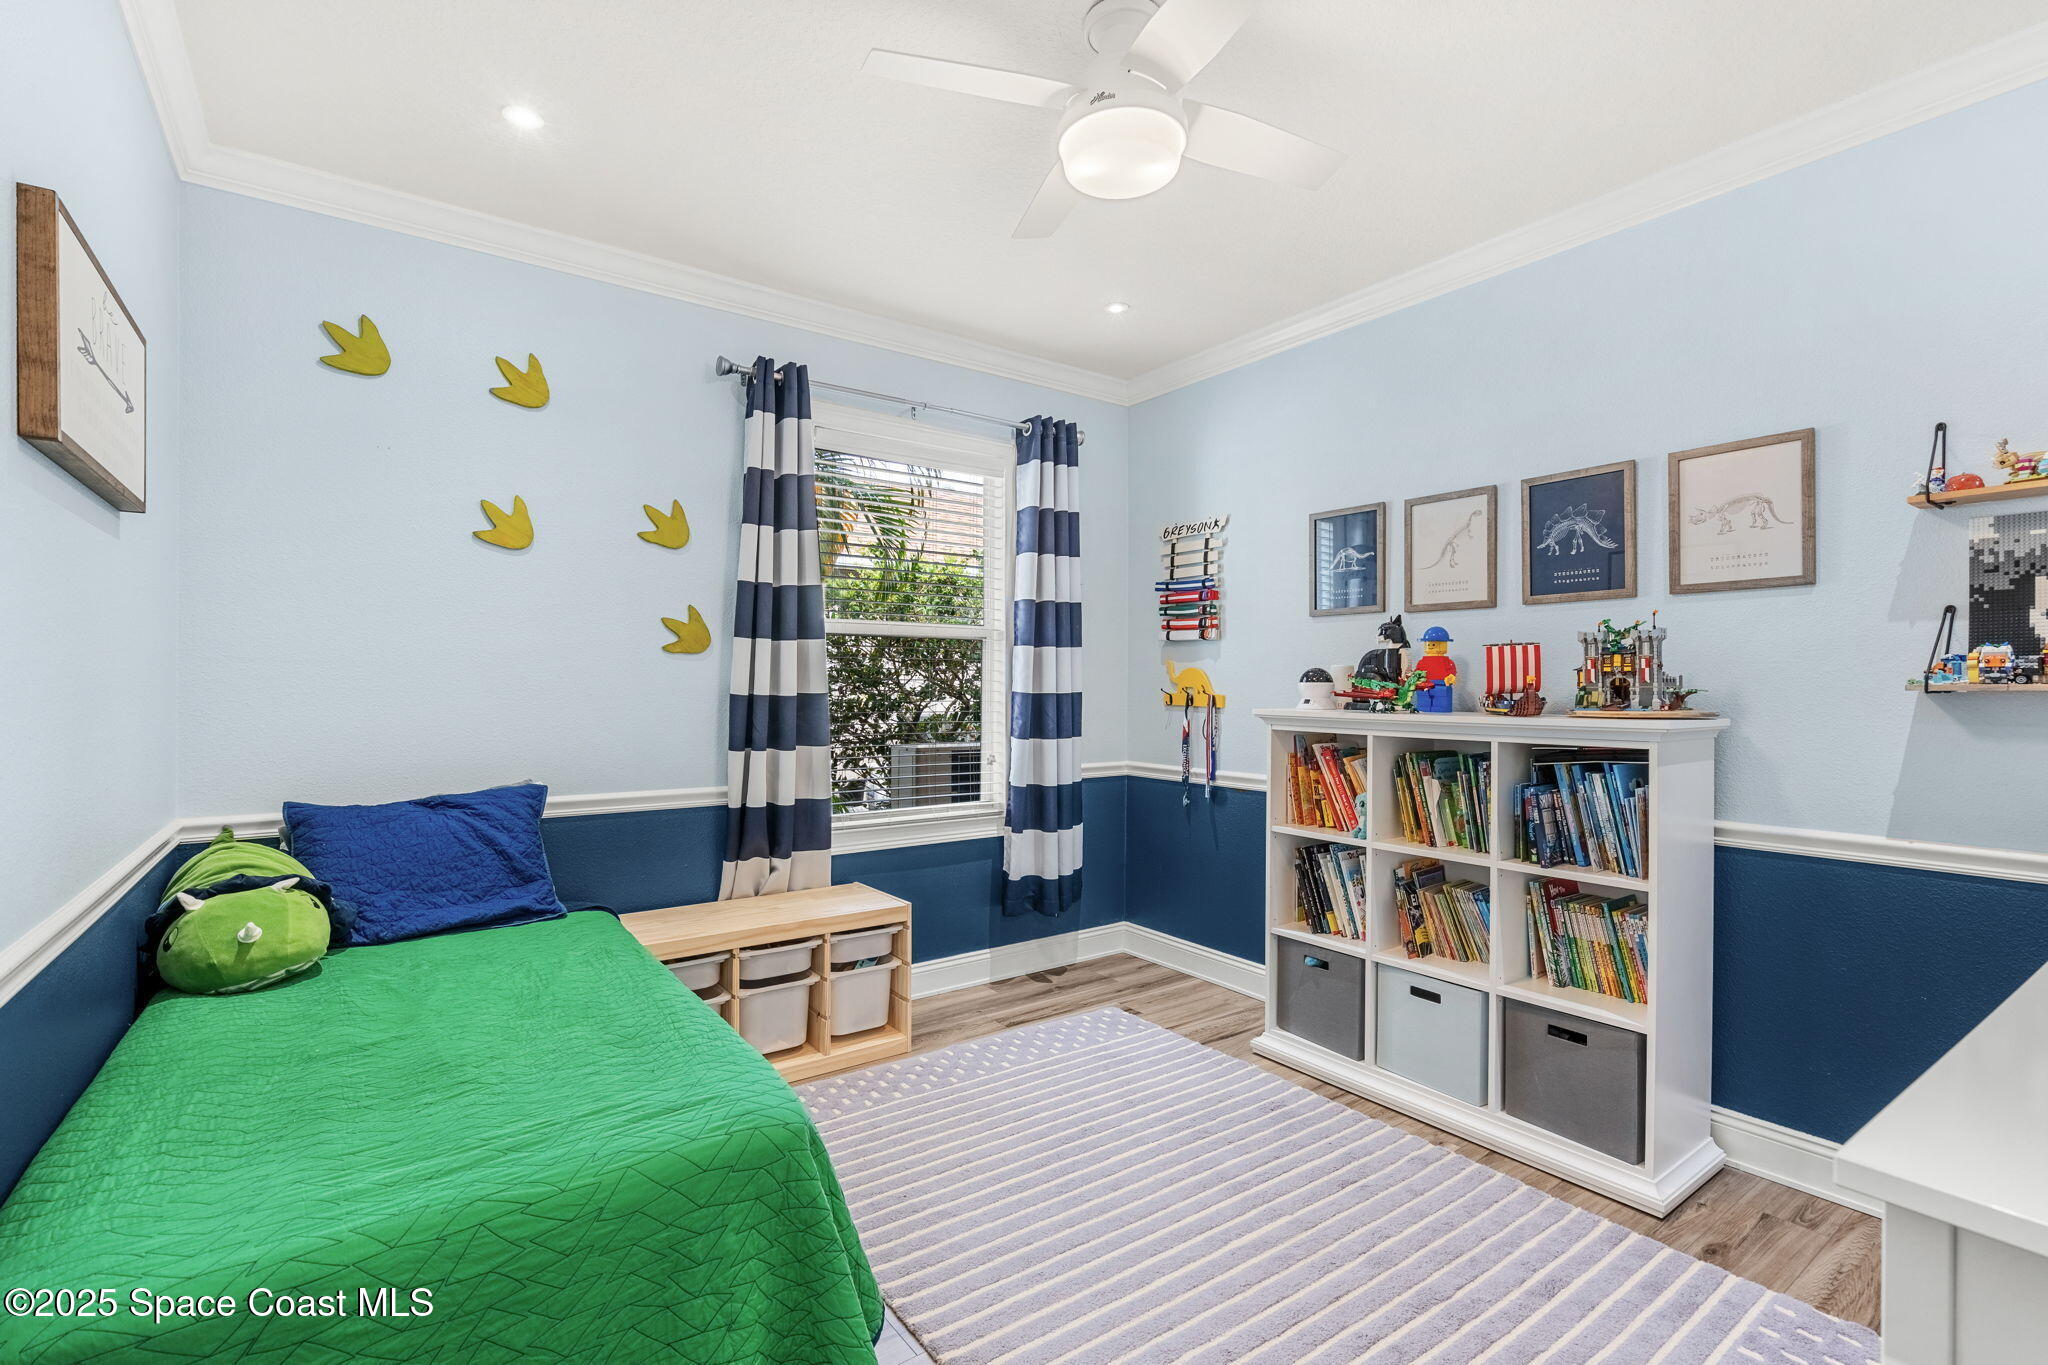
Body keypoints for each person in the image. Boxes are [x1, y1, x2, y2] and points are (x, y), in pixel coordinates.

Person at [1414, 626, 1457, 713]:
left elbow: (1452, 671)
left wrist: (1451, 678)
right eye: (1428, 644)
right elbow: (1417, 672)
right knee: (1423, 703)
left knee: (1441, 703)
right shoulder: (1421, 662)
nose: (1430, 646)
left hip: (1442, 685)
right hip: (1424, 686)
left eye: (1433, 644)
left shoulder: (1448, 662)